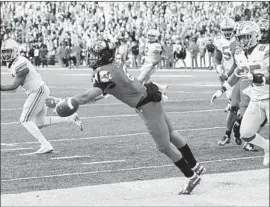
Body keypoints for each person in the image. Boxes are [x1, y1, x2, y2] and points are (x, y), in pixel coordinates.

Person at [46, 37, 206, 195]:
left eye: (95, 54)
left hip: (147, 106)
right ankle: (195, 165)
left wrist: (70, 101)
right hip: (149, 98)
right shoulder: (114, 65)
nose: (91, 57)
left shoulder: (104, 73)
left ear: (104, 55)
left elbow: (89, 96)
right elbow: (104, 92)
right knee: (172, 134)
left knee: (164, 146)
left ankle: (191, 177)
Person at [0, 39, 83, 154]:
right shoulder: (15, 63)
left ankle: (45, 145)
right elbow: (13, 89)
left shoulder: (20, 63)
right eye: (4, 52)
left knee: (24, 120)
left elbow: (14, 86)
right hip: (38, 91)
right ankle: (70, 118)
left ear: (15, 51)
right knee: (39, 123)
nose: (5, 54)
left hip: (37, 91)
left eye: (8, 51)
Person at [211, 21, 269, 165]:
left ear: (255, 35)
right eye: (240, 37)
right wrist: (221, 90)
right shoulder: (239, 53)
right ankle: (268, 147)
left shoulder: (265, 50)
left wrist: (258, 78)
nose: (242, 40)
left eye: (246, 37)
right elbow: (237, 73)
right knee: (246, 134)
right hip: (256, 99)